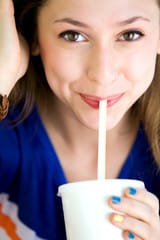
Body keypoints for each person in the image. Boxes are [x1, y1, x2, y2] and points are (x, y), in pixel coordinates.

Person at [0, 0, 160, 239]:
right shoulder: (9, 138)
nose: (102, 75)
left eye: (130, 34)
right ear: (34, 37)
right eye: (73, 35)